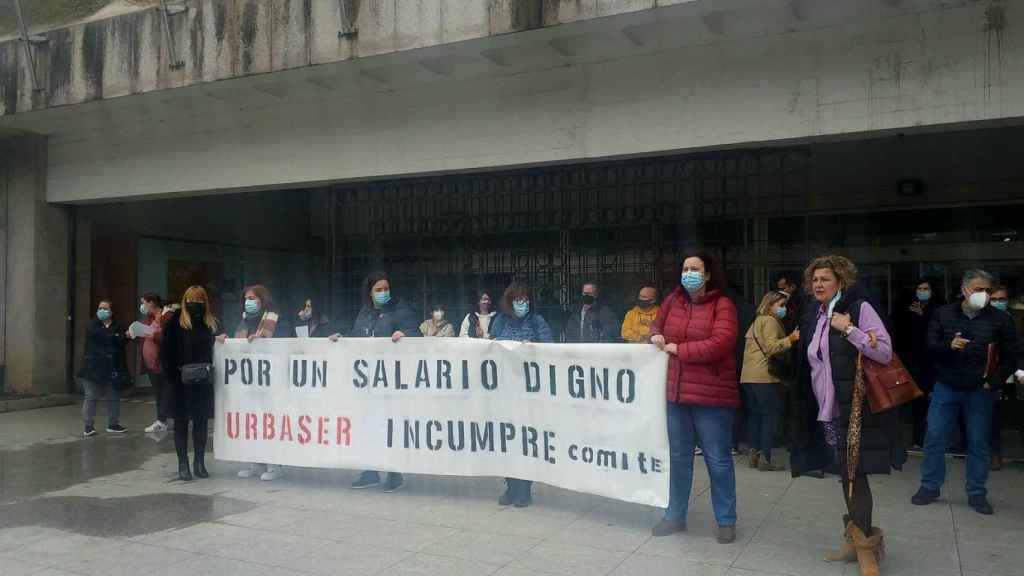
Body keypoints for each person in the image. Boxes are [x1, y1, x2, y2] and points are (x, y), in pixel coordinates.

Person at [789, 255, 899, 576]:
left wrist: (849, 329)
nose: (818, 284)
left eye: (826, 279)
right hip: (827, 410)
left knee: (856, 474)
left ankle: (867, 547)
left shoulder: (859, 308)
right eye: (815, 280)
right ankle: (855, 540)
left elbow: (884, 351)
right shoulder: (815, 314)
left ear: (841, 282)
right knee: (846, 473)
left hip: (854, 409)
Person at [648, 251, 739, 545]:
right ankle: (675, 515)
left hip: (711, 396)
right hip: (676, 393)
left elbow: (721, 343)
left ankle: (726, 520)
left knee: (717, 458)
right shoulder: (672, 301)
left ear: (708, 274)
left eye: (695, 268)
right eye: (685, 268)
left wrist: (679, 350)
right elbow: (656, 326)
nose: (688, 273)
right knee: (678, 457)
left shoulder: (723, 305)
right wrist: (655, 337)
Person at [913, 270, 1016, 516]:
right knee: (935, 436)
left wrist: (994, 381)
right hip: (947, 385)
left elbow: (1012, 355)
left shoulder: (1000, 319)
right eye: (979, 289)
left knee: (978, 442)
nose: (984, 295)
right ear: (964, 290)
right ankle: (930, 486)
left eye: (988, 291)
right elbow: (929, 348)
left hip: (980, 389)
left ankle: (977, 492)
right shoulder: (943, 314)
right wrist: (948, 347)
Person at [346, 271, 419, 492]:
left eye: (386, 288)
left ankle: (394, 473)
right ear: (369, 293)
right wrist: (340, 340)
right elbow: (356, 337)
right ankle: (370, 472)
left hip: (392, 381)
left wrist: (405, 335)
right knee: (368, 426)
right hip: (368, 382)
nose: (383, 293)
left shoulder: (401, 310)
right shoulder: (365, 312)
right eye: (378, 290)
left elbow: (416, 335)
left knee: (391, 426)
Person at [490, 281, 554, 507]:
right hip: (505, 389)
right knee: (507, 438)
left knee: (526, 439)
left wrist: (534, 348)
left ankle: (524, 488)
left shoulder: (538, 322)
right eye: (518, 300)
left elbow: (550, 349)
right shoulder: (499, 321)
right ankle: (511, 486)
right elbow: (491, 347)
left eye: (526, 300)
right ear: (509, 302)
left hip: (529, 391)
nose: (522, 304)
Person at [161, 286, 222, 481]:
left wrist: (220, 340)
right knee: (181, 423)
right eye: (190, 299)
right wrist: (172, 377)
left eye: (198, 299)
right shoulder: (175, 322)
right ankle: (182, 464)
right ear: (184, 300)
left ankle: (199, 462)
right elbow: (166, 352)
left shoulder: (211, 322)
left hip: (203, 383)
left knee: (201, 423)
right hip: (180, 383)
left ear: (205, 301)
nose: (194, 303)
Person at [741, 291, 799, 471]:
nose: (784, 309)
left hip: (748, 376)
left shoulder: (756, 321)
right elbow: (771, 347)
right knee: (769, 416)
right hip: (764, 376)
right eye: (780, 305)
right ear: (769, 305)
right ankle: (765, 458)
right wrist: (791, 338)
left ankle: (754, 454)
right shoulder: (770, 321)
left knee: (755, 416)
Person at [231, 285, 283, 481]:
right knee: (252, 422)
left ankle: (273, 464)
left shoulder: (276, 318)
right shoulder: (243, 321)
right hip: (250, 381)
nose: (248, 302)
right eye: (246, 299)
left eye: (252, 298)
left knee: (270, 422)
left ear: (263, 299)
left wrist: (262, 341)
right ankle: (255, 462)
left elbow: (284, 344)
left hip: (271, 380)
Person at [893, 279, 941, 449]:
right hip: (912, 363)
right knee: (916, 402)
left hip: (932, 364)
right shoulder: (907, 310)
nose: (922, 291)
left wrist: (923, 316)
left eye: (925, 288)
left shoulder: (938, 310)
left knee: (934, 402)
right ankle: (917, 438)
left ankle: (934, 438)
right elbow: (902, 334)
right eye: (919, 288)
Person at [80, 299, 129, 437]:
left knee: (113, 396)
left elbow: (124, 340)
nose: (102, 311)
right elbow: (102, 336)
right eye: (100, 308)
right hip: (92, 367)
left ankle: (113, 424)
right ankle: (88, 426)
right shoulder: (92, 324)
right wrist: (117, 336)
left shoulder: (119, 324)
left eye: (105, 308)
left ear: (112, 311)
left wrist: (120, 336)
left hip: (112, 367)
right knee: (91, 396)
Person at [134, 294, 174, 433]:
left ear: (152, 303)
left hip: (163, 362)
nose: (142, 307)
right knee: (158, 392)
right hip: (151, 365)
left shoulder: (168, 316)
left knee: (166, 392)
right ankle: (161, 420)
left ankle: (163, 420)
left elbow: (171, 338)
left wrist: (155, 336)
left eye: (144, 303)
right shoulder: (149, 318)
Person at [988, 285, 1012, 471]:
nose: (998, 303)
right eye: (994, 299)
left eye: (1001, 299)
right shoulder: (987, 321)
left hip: (1015, 372)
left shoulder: (1013, 319)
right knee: (993, 416)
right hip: (995, 375)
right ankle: (995, 455)